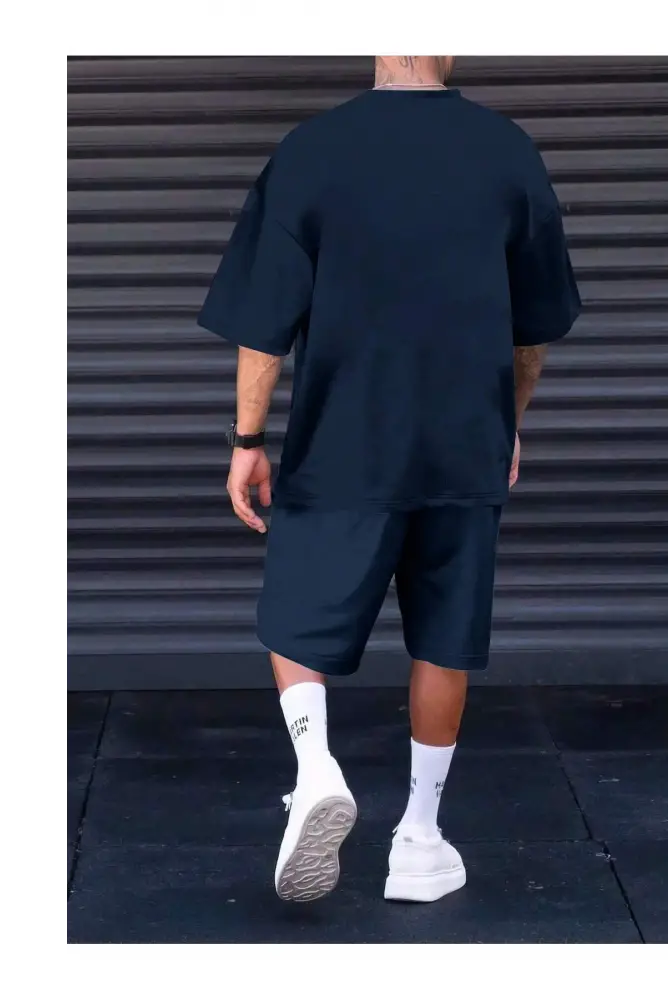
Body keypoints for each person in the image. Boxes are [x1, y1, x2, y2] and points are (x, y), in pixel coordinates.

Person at [198, 55, 581, 904]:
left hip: (343, 437)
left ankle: (316, 766)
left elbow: (264, 324)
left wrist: (248, 438)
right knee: (445, 634)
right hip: (464, 440)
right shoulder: (507, 151)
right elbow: (532, 331)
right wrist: (508, 421)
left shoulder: (312, 150)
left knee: (296, 610)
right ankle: (420, 840)